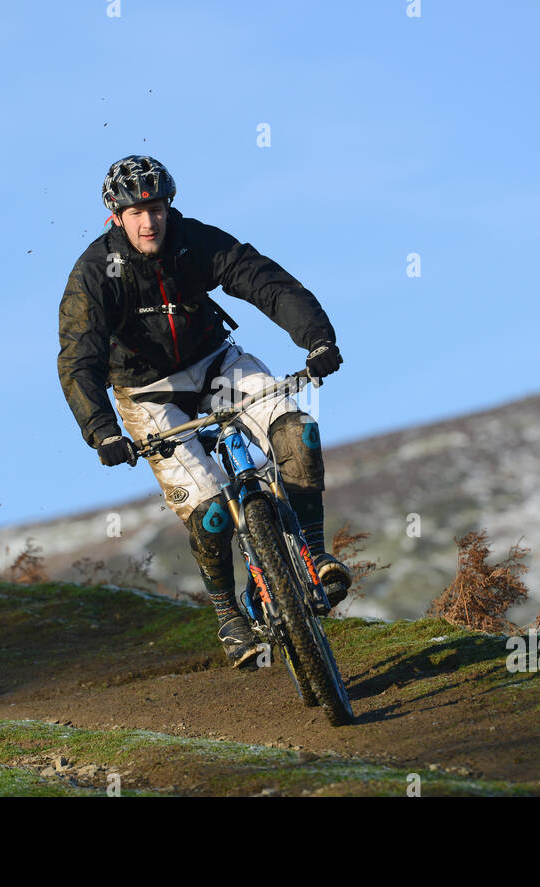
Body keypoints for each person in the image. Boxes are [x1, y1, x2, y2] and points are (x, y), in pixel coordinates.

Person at [58, 155, 352, 669]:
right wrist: (102, 431)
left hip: (218, 364)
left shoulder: (196, 240)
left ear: (168, 206)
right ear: (115, 217)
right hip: (145, 393)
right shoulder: (94, 272)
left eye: (155, 208)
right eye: (135, 213)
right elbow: (78, 356)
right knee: (212, 513)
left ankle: (314, 550)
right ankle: (228, 616)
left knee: (296, 434)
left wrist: (317, 339)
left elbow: (266, 283)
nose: (148, 222)